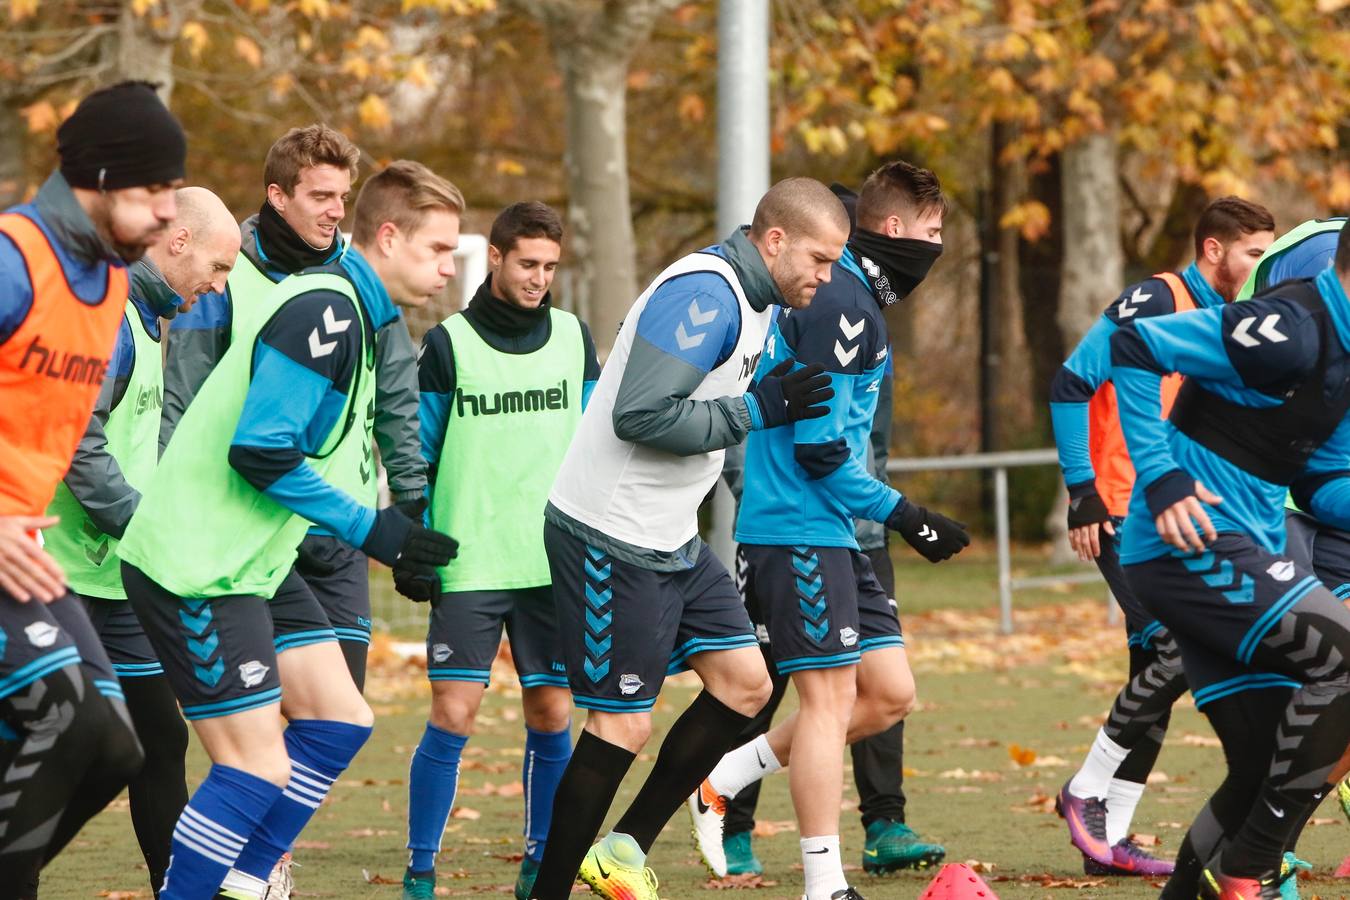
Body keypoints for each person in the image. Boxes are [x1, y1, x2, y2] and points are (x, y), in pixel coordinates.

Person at [115, 160, 461, 900]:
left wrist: (401, 518)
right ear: (390, 238)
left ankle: (243, 881)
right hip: (195, 565)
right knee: (256, 766)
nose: (449, 269)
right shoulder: (327, 311)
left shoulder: (355, 316)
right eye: (439, 250)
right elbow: (261, 451)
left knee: (340, 720)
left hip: (254, 566)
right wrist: (374, 530)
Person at [527, 177, 846, 900]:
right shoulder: (707, 295)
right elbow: (639, 415)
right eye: (820, 260)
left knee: (747, 687)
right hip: (608, 534)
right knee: (621, 727)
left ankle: (622, 850)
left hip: (670, 536)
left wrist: (746, 486)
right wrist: (754, 412)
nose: (825, 279)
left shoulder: (759, 304)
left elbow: (718, 418)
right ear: (775, 240)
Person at [686, 161, 967, 900]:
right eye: (932, 234)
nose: (937, 249)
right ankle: (824, 882)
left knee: (890, 694)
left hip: (837, 530)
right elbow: (821, 455)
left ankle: (727, 775)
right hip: (796, 527)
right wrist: (910, 517)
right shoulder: (842, 302)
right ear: (897, 229)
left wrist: (893, 517)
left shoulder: (858, 300)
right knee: (827, 702)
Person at [1109, 222, 1350, 899]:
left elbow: (1322, 482)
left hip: (1241, 547)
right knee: (1346, 660)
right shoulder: (1293, 325)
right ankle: (1251, 870)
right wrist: (1158, 477)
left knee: (1258, 762)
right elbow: (1134, 344)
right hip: (1185, 545)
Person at [1048, 197, 1274, 875]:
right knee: (1178, 652)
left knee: (1155, 668)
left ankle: (1107, 840)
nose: (1260, 267)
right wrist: (1082, 492)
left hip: (1178, 515)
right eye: (1253, 254)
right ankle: (1083, 793)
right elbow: (1070, 383)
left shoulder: (1231, 319)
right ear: (1214, 250)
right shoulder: (1155, 299)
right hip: (1122, 510)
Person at [161, 125, 427, 693]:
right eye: (319, 196)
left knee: (339, 715)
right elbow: (185, 398)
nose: (335, 211)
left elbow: (397, 394)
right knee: (262, 717)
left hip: (336, 528)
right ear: (279, 196)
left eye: (342, 198)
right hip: (249, 519)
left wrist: (409, 498)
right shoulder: (222, 275)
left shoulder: (364, 279)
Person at [0, 80, 184, 882]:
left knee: (113, 747)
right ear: (103, 180)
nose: (171, 212)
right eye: (157, 191)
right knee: (72, 726)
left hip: (24, 557)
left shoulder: (111, 288)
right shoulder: (13, 261)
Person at [40, 187, 238, 896]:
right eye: (216, 267)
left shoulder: (153, 320)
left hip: (118, 581)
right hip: (54, 577)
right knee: (73, 747)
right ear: (176, 242)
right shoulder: (110, 320)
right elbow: (80, 450)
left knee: (159, 742)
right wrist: (145, 524)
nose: (217, 287)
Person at [401, 201, 600, 900]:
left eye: (549, 266)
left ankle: (540, 863)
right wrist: (412, 544)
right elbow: (416, 456)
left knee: (552, 714)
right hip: (469, 561)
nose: (539, 278)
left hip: (553, 563)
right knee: (453, 713)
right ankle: (420, 871)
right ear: (494, 257)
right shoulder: (448, 344)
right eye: (527, 264)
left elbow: (598, 446)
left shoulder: (576, 340)